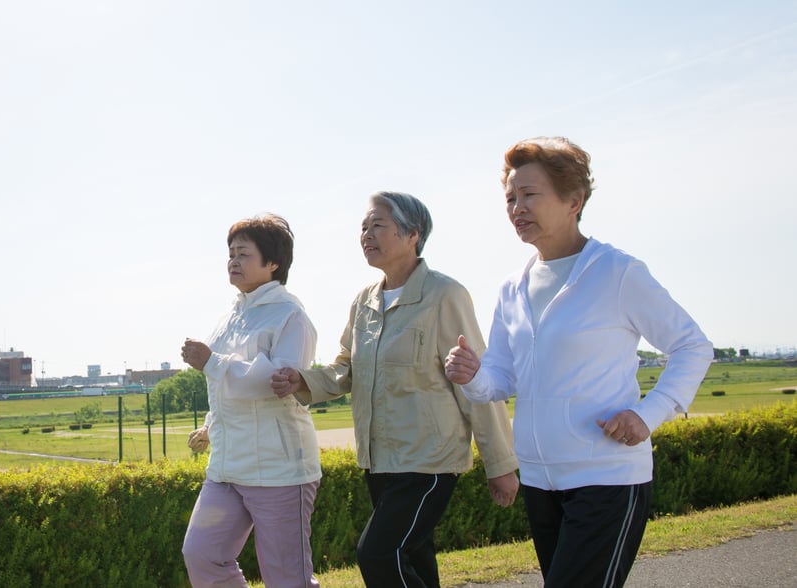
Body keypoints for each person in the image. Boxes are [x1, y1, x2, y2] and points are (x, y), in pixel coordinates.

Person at [444, 137, 713, 588]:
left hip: (606, 477)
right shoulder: (512, 287)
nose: (517, 208)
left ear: (574, 200)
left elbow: (692, 346)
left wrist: (648, 415)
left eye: (530, 194)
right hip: (539, 480)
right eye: (510, 197)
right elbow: (502, 378)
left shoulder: (617, 272)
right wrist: (473, 376)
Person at [271, 192, 518, 588]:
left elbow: (474, 380)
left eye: (377, 225)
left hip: (429, 461)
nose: (366, 234)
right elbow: (345, 369)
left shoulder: (444, 295)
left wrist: (500, 464)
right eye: (363, 227)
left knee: (379, 554)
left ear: (412, 234)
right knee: (414, 559)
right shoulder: (363, 302)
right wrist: (303, 380)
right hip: (380, 460)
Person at [180, 213, 322, 588]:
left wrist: (212, 361)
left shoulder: (291, 317)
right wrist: (211, 426)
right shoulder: (229, 317)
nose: (233, 261)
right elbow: (223, 388)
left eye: (243, 253)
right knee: (201, 554)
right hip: (227, 467)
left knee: (286, 577)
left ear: (273, 263)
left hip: (279, 469)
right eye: (230, 253)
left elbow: (279, 382)